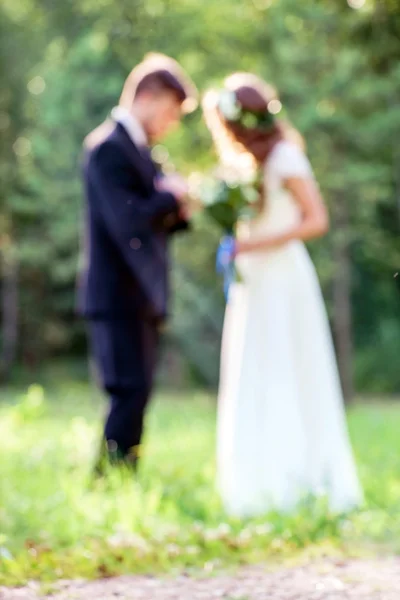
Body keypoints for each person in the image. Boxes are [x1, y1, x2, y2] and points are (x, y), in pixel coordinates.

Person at [203, 73, 363, 516]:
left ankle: (306, 480)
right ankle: (257, 484)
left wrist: (253, 243)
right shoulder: (242, 167)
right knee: (255, 369)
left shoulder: (286, 158)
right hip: (253, 281)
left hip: (284, 277)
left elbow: (316, 220)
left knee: (292, 367)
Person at [78, 53, 198, 473]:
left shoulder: (142, 152)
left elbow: (150, 222)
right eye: (170, 113)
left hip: (140, 294)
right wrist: (171, 196)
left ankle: (122, 476)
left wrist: (176, 210)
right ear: (148, 97)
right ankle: (108, 480)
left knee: (139, 392)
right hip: (116, 294)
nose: (170, 124)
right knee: (126, 390)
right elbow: (126, 219)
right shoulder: (107, 148)